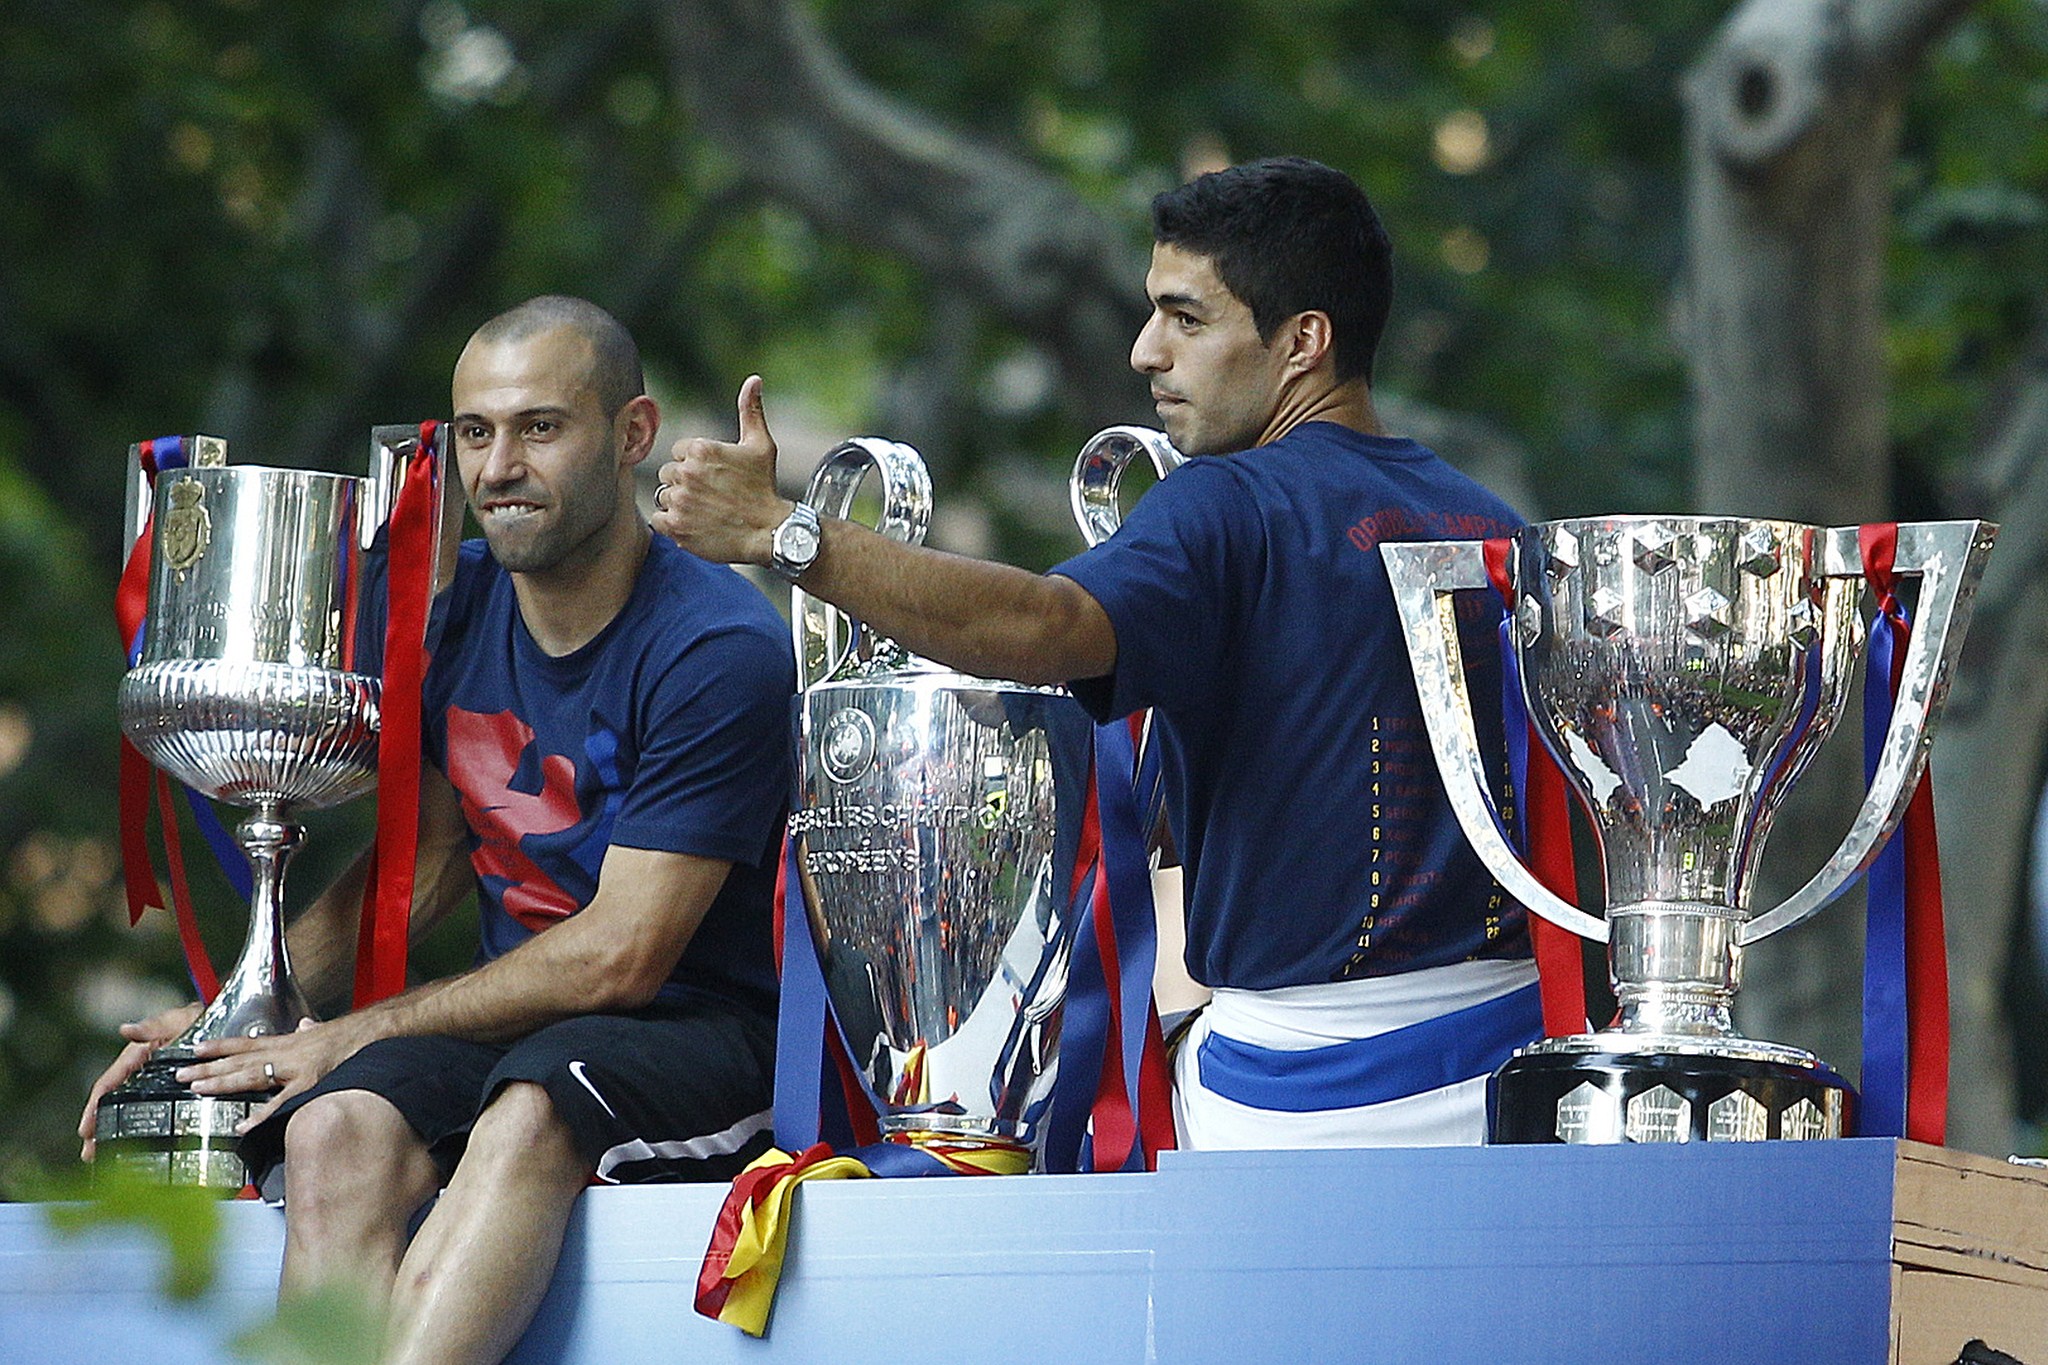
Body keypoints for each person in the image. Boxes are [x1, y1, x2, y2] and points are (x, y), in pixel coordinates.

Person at [652, 157, 1538, 1151]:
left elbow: (1044, 630)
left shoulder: (1227, 504)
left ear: (1302, 343)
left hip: (1305, 1107)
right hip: (1515, 1063)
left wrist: (786, 535)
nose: (1144, 352)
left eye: (1185, 319)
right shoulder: (1492, 517)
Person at [80, 296, 794, 1364]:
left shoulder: (717, 646)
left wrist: (349, 1033)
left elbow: (621, 959)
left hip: (699, 1037)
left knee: (528, 1108)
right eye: (475, 432)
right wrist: (231, 1017)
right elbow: (425, 862)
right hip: (518, 1028)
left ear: (632, 435)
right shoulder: (453, 622)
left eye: (540, 428)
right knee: (332, 1129)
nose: (499, 464)